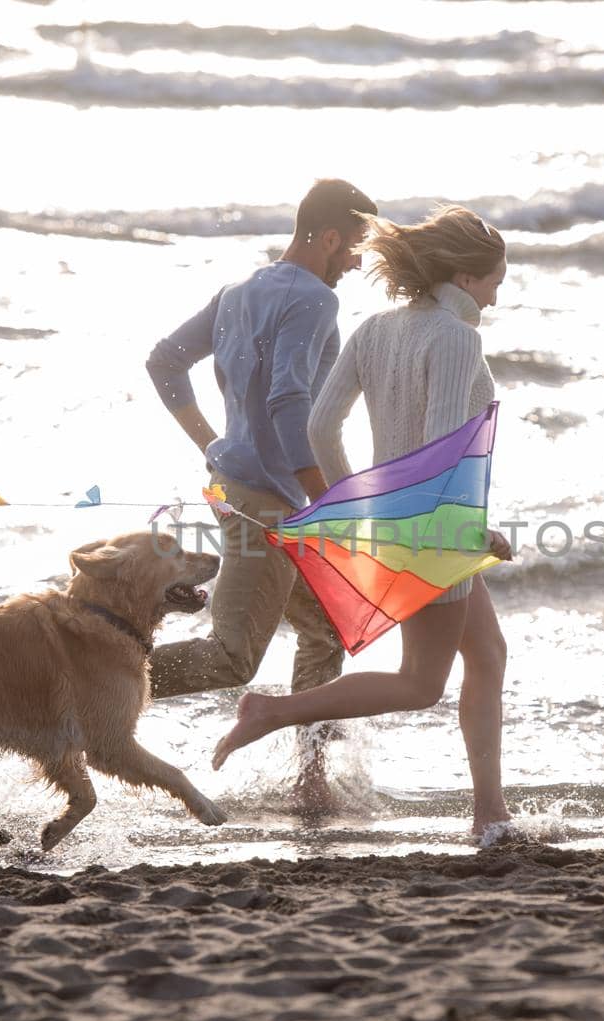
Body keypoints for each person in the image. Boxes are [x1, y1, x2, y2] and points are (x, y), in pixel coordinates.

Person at [210, 205, 516, 839]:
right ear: (463, 276)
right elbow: (439, 445)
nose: (496, 294)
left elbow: (320, 428)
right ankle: (272, 710)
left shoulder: (374, 328)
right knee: (419, 684)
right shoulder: (458, 338)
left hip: (403, 524)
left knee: (487, 655)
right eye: (494, 281)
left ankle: (491, 812)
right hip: (438, 531)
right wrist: (465, 533)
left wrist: (360, 508)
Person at [145, 178, 377, 814]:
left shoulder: (238, 292)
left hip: (242, 488)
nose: (357, 261)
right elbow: (286, 399)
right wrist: (322, 500)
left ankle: (310, 780)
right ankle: (96, 678)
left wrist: (213, 447)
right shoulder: (314, 302)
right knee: (232, 659)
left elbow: (164, 362)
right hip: (271, 504)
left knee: (326, 628)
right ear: (329, 236)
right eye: (355, 246)